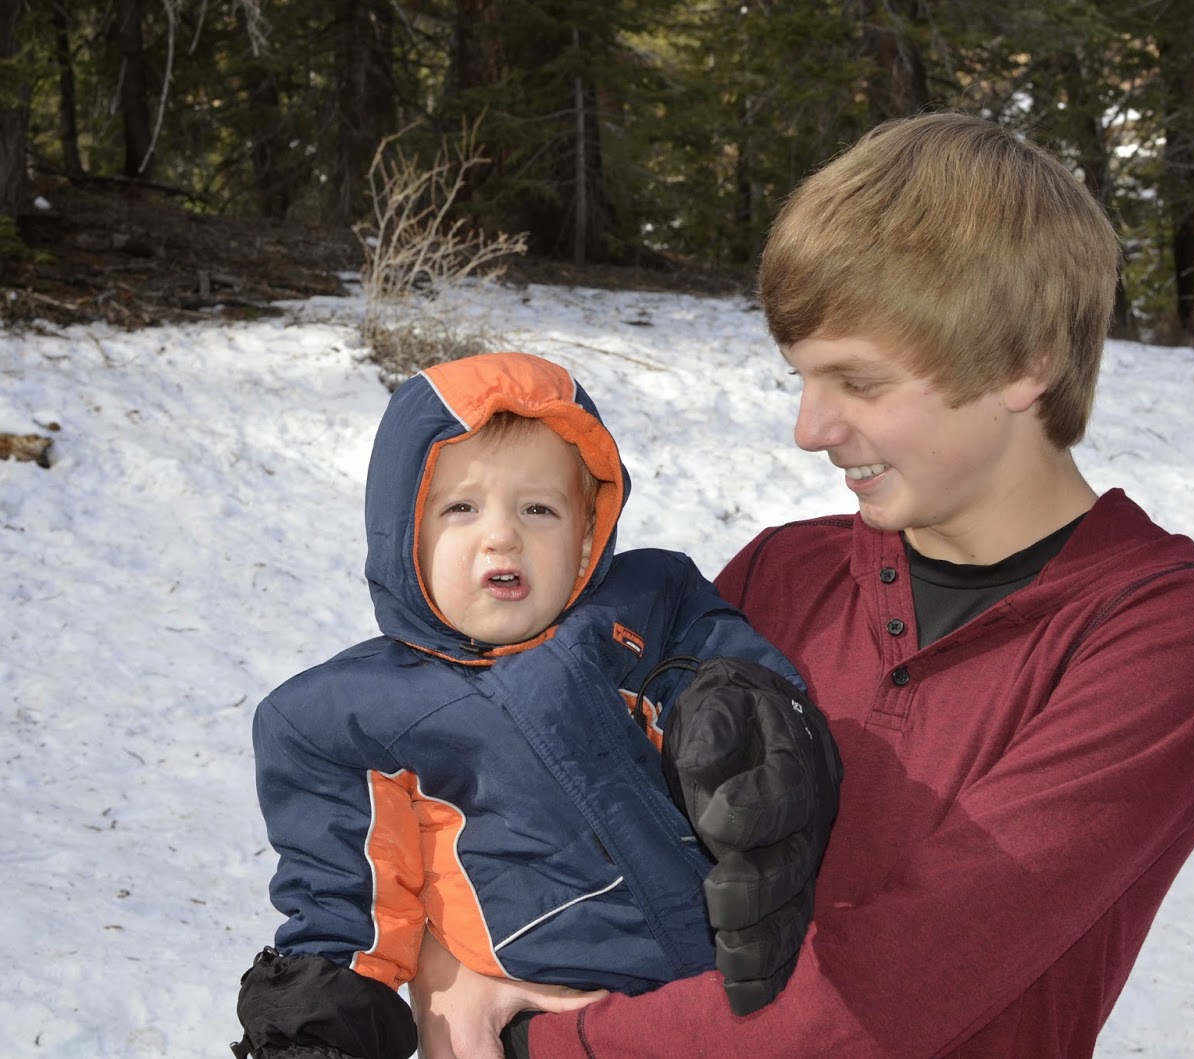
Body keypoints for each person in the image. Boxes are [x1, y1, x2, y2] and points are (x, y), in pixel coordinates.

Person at [408, 112, 1194, 1058]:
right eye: (802, 378)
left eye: (857, 382)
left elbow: (899, 982)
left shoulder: (1162, 631)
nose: (810, 427)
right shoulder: (783, 572)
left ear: (1029, 363)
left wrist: (551, 1046)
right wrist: (443, 959)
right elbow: (563, 812)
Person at [232, 351, 843, 1059]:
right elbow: (346, 903)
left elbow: (740, 683)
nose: (502, 534)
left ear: (586, 534)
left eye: (538, 508)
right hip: (534, 1023)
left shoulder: (648, 604)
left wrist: (738, 728)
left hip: (722, 996)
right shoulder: (349, 716)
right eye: (460, 507)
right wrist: (314, 1035)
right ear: (404, 535)